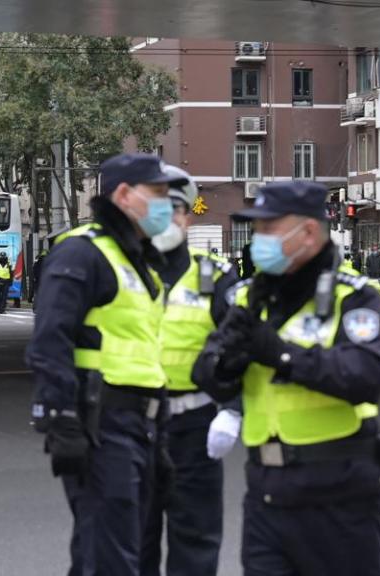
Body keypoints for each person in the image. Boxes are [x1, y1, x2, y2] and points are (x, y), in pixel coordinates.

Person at [191, 181, 380, 576]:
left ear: (309, 232)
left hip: (338, 493)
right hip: (267, 492)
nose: (259, 240)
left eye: (269, 229)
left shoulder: (354, 296)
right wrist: (226, 365)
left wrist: (281, 355)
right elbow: (208, 372)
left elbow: (365, 376)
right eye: (257, 230)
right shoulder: (252, 297)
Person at [26, 153, 187, 575]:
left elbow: (145, 356)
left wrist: (161, 439)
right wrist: (61, 418)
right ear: (123, 195)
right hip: (101, 427)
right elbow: (50, 340)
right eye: (157, 194)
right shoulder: (82, 253)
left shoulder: (137, 261)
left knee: (112, 553)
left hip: (141, 428)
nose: (166, 205)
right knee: (111, 559)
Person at [141, 166, 240, 576]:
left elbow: (239, 345)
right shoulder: (115, 272)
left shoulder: (214, 276)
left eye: (175, 209)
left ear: (189, 216)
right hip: (130, 425)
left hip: (195, 429)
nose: (166, 218)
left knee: (196, 545)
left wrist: (232, 409)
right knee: (130, 543)